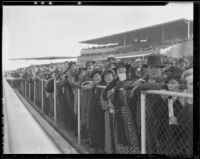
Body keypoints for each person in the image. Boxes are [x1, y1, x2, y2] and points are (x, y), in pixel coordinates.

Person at [102, 61, 140, 154]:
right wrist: (111, 92)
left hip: (132, 111)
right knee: (121, 134)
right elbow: (104, 94)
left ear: (126, 69)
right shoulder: (115, 82)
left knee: (132, 132)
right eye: (119, 69)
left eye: (123, 68)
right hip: (119, 111)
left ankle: (134, 152)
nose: (121, 70)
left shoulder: (133, 79)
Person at [89, 69, 105, 153]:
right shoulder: (94, 86)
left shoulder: (103, 85)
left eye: (97, 76)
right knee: (94, 128)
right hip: (94, 111)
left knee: (101, 129)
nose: (96, 78)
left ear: (101, 77)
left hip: (101, 111)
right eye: (94, 77)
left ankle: (100, 146)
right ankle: (94, 144)